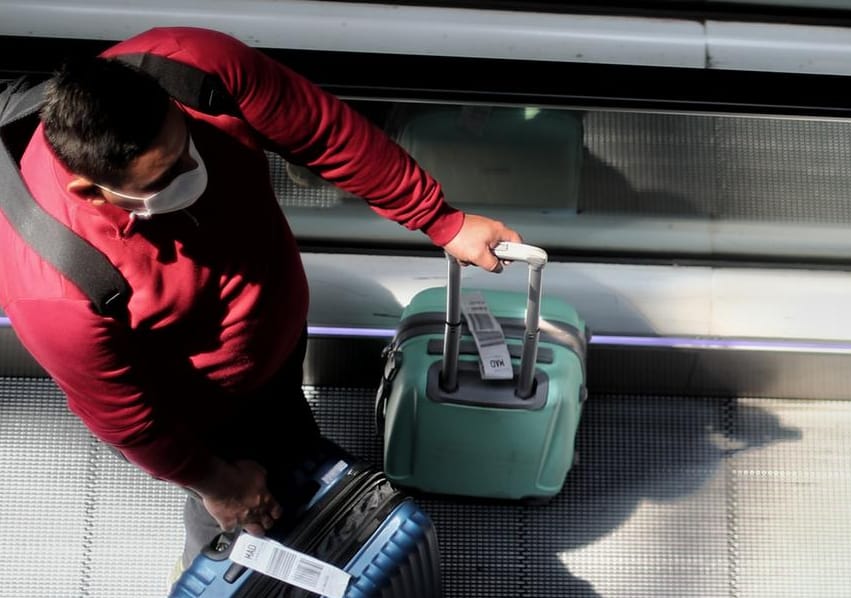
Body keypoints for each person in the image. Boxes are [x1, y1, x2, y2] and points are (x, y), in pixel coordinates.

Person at [0, 26, 521, 577]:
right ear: (89, 190)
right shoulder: (53, 288)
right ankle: (214, 567)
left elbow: (326, 133)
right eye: (166, 177)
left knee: (285, 440)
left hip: (271, 340)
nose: (192, 173)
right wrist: (218, 484)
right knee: (239, 518)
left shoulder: (197, 70)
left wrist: (439, 220)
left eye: (187, 146)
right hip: (198, 407)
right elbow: (128, 420)